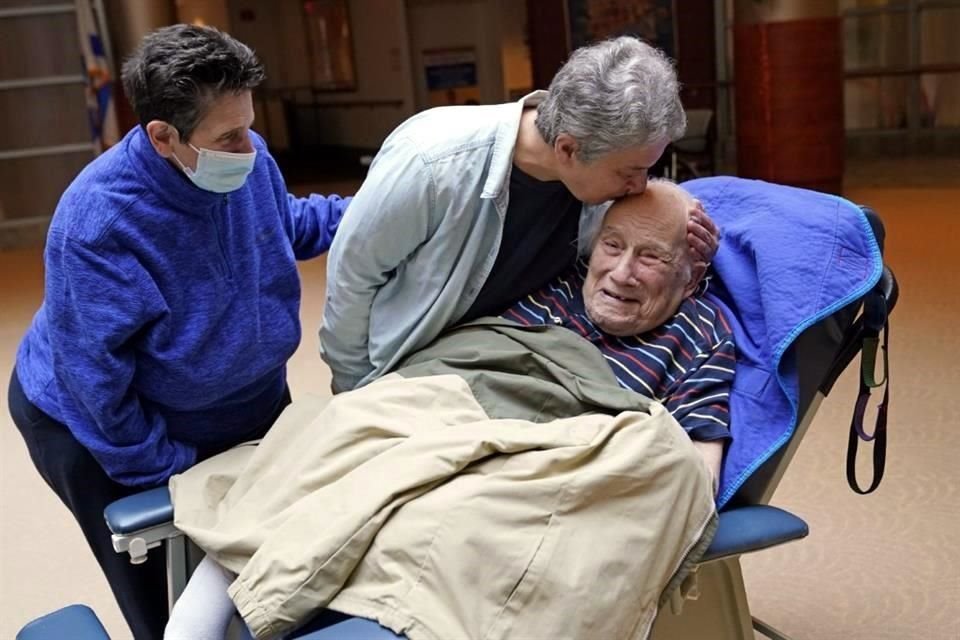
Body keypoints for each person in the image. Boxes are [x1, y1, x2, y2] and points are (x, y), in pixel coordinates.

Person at [163, 180, 733, 640]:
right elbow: (465, 351)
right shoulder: (556, 280)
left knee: (453, 516)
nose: (622, 271)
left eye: (652, 257)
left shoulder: (702, 330)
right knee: (333, 430)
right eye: (613, 245)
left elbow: (693, 471)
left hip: (549, 447)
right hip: (453, 395)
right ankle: (207, 606)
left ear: (689, 276)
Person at [7, 25, 350, 640]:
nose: (250, 147)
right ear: (162, 137)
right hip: (100, 422)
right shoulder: (99, 225)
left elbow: (282, 224)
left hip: (239, 401)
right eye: (228, 136)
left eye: (249, 125)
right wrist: (176, 470)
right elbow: (96, 387)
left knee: (283, 573)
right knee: (172, 599)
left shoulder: (242, 158)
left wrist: (368, 210)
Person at [320, 35, 720, 394]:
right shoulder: (430, 163)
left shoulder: (596, 177)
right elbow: (352, 278)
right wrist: (355, 388)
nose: (639, 186)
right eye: (629, 172)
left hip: (500, 367)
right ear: (567, 150)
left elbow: (644, 253)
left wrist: (691, 245)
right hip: (407, 371)